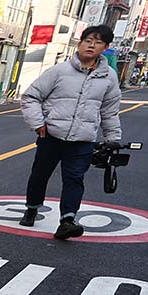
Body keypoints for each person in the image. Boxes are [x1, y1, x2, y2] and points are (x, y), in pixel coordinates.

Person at [19, 24, 122, 240]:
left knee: (74, 179)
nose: (91, 45)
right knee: (40, 175)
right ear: (80, 43)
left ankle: (67, 220)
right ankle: (32, 208)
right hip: (52, 136)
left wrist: (113, 139)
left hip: (83, 140)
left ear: (105, 47)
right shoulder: (59, 71)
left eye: (98, 42)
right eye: (88, 40)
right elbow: (31, 97)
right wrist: (39, 124)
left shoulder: (109, 77)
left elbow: (110, 111)